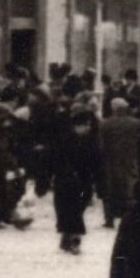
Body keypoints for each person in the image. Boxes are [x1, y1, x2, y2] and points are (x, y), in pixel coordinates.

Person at [53, 107, 102, 254]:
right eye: (85, 125)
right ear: (76, 126)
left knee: (75, 211)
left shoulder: (90, 141)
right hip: (67, 181)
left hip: (83, 182)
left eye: (89, 125)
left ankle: (67, 237)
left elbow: (96, 162)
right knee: (71, 211)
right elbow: (56, 160)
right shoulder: (65, 140)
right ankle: (74, 239)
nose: (88, 127)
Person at [99, 97, 140, 229]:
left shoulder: (105, 123)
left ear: (113, 108)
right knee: (130, 188)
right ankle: (131, 218)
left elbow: (101, 145)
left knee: (110, 189)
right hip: (131, 160)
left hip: (110, 161)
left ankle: (110, 219)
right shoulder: (136, 123)